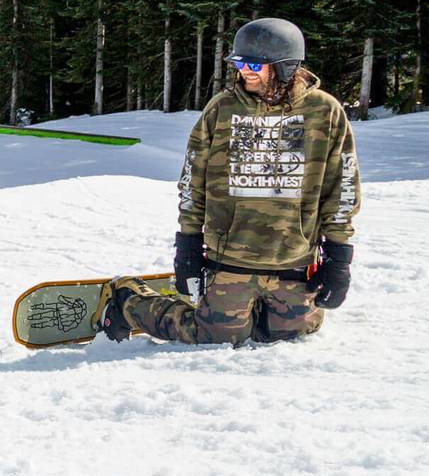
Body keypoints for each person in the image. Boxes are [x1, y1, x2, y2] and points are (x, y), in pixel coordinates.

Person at [98, 17, 360, 346]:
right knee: (216, 336)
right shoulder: (222, 108)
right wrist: (189, 247)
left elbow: (342, 187)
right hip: (231, 257)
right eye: (239, 62)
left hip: (294, 258)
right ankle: (128, 301)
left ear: (285, 65)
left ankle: (245, 310)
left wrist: (338, 258)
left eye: (254, 64)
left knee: (293, 333)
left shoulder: (325, 112)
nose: (244, 70)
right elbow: (193, 182)